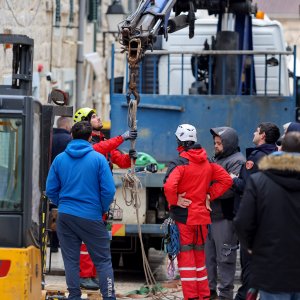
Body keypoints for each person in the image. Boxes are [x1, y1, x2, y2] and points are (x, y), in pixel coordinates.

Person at [46, 121, 116, 300]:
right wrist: (100, 208)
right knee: (102, 260)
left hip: (66, 216)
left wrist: (63, 203)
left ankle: (74, 296)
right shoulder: (99, 159)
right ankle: (109, 296)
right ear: (91, 136)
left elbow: (50, 189)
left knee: (70, 260)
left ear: (71, 136)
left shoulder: (60, 159)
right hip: (91, 215)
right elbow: (109, 190)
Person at [163, 124, 233, 300]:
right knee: (200, 260)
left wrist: (175, 200)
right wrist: (209, 195)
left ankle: (192, 297)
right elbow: (226, 180)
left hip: (184, 218)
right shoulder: (208, 162)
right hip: (202, 219)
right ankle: (203, 296)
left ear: (179, 141)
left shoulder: (180, 163)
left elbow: (169, 186)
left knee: (186, 262)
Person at [73, 107, 137, 290]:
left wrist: (131, 157)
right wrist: (123, 137)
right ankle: (85, 276)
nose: (99, 118)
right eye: (94, 117)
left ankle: (91, 275)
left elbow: (120, 160)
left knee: (97, 240)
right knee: (87, 240)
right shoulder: (85, 143)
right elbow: (98, 150)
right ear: (85, 123)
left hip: (100, 199)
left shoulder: (105, 142)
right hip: (89, 197)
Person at [234, 132, 300, 300]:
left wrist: (250, 246)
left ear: (281, 150)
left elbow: (242, 221)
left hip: (272, 269)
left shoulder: (259, 181)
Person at [232, 122, 280, 300]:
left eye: (256, 131)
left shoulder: (256, 158)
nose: (253, 132)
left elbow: (246, 187)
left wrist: (231, 179)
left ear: (263, 136)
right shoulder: (278, 156)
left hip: (256, 219)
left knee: (250, 266)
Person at [205, 127, 245, 300]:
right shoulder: (218, 159)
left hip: (225, 218)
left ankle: (225, 295)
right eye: (215, 143)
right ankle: (209, 292)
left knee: (225, 261)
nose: (216, 146)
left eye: (219, 143)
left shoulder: (238, 161)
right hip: (210, 217)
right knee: (208, 260)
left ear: (228, 143)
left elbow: (229, 189)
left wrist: (206, 192)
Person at [49, 116, 73, 252]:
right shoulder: (69, 141)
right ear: (67, 127)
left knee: (50, 212)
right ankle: (60, 243)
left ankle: (52, 244)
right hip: (66, 183)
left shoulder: (48, 138)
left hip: (49, 181)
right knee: (62, 213)